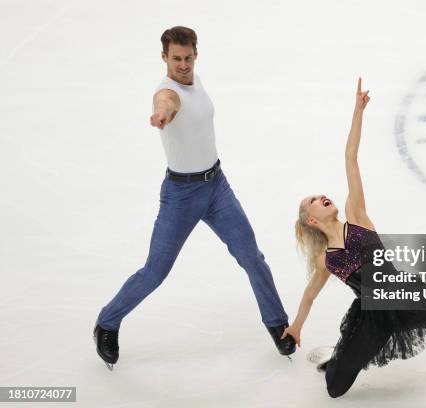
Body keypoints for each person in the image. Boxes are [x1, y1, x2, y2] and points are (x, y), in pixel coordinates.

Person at [282, 78, 426, 397]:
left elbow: (351, 157)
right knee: (335, 388)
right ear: (312, 220)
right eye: (313, 200)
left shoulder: (358, 216)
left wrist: (358, 111)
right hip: (371, 321)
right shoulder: (327, 259)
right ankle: (336, 358)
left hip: (410, 298)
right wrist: (296, 327)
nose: (321, 196)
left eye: (320, 194)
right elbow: (310, 295)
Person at [93, 26, 295, 371]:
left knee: (251, 256)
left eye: (188, 58)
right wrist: (162, 115)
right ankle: (107, 322)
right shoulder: (166, 92)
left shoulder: (195, 81)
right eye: (176, 59)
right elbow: (167, 104)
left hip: (217, 187)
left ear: (195, 55)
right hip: (181, 194)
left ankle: (277, 324)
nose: (183, 65)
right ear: (164, 58)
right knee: (155, 272)